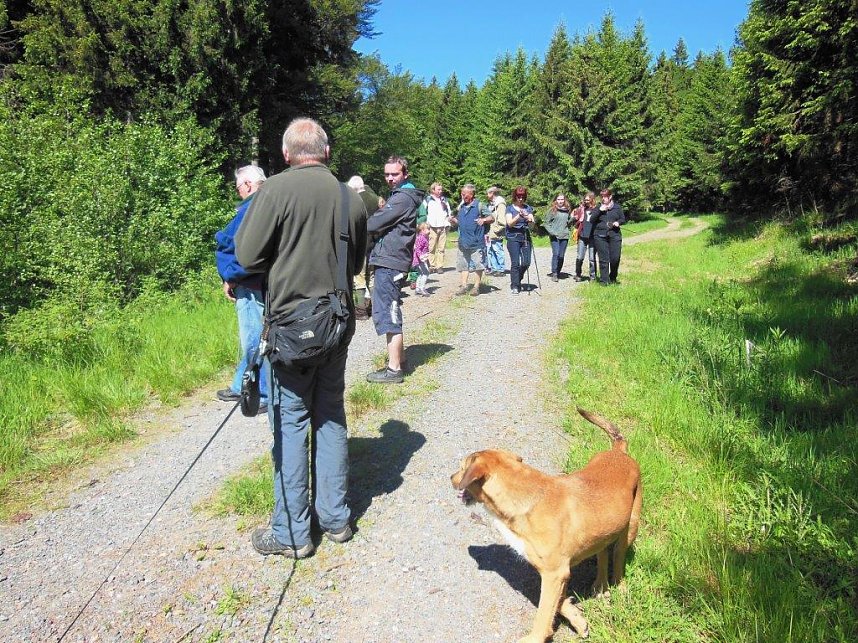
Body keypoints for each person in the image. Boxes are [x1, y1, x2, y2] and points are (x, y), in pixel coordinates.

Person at [235, 118, 368, 559]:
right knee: (330, 413)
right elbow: (355, 263)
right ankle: (335, 519)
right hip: (336, 324)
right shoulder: (350, 198)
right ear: (326, 152)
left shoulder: (272, 191)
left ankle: (292, 533)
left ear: (288, 154)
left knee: (291, 421)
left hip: (290, 328)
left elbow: (247, 255)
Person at [214, 165, 269, 414]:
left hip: (250, 284)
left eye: (238, 187)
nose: (238, 192)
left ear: (247, 185)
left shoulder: (251, 209)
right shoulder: (271, 202)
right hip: (261, 282)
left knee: (256, 340)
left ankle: (264, 394)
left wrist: (232, 277)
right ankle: (239, 384)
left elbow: (245, 251)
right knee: (257, 337)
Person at [365, 156, 422, 384]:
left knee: (389, 313)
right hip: (390, 260)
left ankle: (394, 369)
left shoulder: (401, 199)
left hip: (391, 262)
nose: (390, 178)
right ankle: (402, 359)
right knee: (391, 308)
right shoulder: (400, 196)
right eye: (387, 174)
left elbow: (374, 223)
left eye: (394, 174)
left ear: (405, 174)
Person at [449, 183, 492, 296]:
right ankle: (464, 286)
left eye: (465, 194)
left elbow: (491, 218)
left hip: (476, 241)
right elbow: (461, 222)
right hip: (463, 241)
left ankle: (476, 287)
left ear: (472, 194)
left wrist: (484, 220)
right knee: (463, 265)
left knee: (479, 265)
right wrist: (454, 220)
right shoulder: (461, 207)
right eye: (462, 194)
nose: (463, 196)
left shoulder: (480, 205)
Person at [346, 176, 379, 320]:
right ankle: (376, 308)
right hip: (374, 243)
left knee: (359, 278)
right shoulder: (375, 199)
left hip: (361, 244)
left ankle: (361, 310)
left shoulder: (355, 201)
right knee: (371, 277)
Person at [591, 188, 626, 285]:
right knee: (603, 259)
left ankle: (613, 277)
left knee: (615, 258)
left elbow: (623, 219)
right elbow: (591, 220)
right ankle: (604, 281)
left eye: (605, 197)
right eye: (601, 197)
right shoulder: (598, 207)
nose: (603, 199)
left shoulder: (617, 207)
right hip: (600, 235)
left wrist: (618, 222)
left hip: (615, 235)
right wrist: (599, 210)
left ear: (610, 197)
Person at [505, 185, 535, 294]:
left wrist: (530, 219)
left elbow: (532, 226)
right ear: (515, 196)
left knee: (526, 262)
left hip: (525, 237)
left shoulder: (528, 208)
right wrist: (519, 216)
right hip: (513, 237)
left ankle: (518, 278)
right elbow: (510, 223)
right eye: (518, 196)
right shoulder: (510, 208)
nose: (521, 199)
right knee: (515, 263)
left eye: (522, 196)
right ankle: (515, 285)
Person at [543, 193, 573, 282]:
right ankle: (554, 273)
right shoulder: (552, 210)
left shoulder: (567, 210)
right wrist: (552, 232)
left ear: (564, 200)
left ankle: (558, 271)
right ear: (556, 200)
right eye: (559, 199)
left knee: (561, 256)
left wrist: (573, 218)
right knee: (556, 254)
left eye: (562, 199)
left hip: (564, 236)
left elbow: (568, 222)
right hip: (555, 236)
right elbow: (546, 223)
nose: (560, 201)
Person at [424, 182, 452, 273]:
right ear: (433, 190)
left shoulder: (444, 200)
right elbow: (423, 213)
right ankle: (431, 265)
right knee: (431, 247)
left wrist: (448, 222)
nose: (440, 191)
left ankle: (439, 266)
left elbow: (449, 212)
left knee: (441, 248)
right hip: (432, 226)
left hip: (443, 226)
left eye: (441, 189)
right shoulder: (428, 200)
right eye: (438, 189)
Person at [573, 192, 598, 282]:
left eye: (588, 199)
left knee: (592, 258)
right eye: (585, 200)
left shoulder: (596, 209)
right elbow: (574, 217)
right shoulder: (581, 209)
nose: (586, 201)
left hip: (592, 236)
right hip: (582, 236)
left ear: (592, 199)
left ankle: (593, 276)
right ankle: (578, 274)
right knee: (580, 257)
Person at [485, 186, 507, 275]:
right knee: (491, 250)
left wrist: (497, 229)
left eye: (488, 193)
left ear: (492, 193)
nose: (487, 195)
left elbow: (502, 219)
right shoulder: (492, 204)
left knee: (498, 249)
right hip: (491, 231)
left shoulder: (500, 204)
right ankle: (494, 268)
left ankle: (501, 269)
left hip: (496, 231)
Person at [412, 222, 431, 296]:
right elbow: (417, 249)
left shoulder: (425, 237)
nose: (429, 231)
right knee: (426, 273)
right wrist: (421, 256)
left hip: (421, 258)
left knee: (421, 274)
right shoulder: (420, 238)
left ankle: (417, 288)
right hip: (419, 259)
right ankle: (422, 288)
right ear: (422, 230)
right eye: (427, 229)